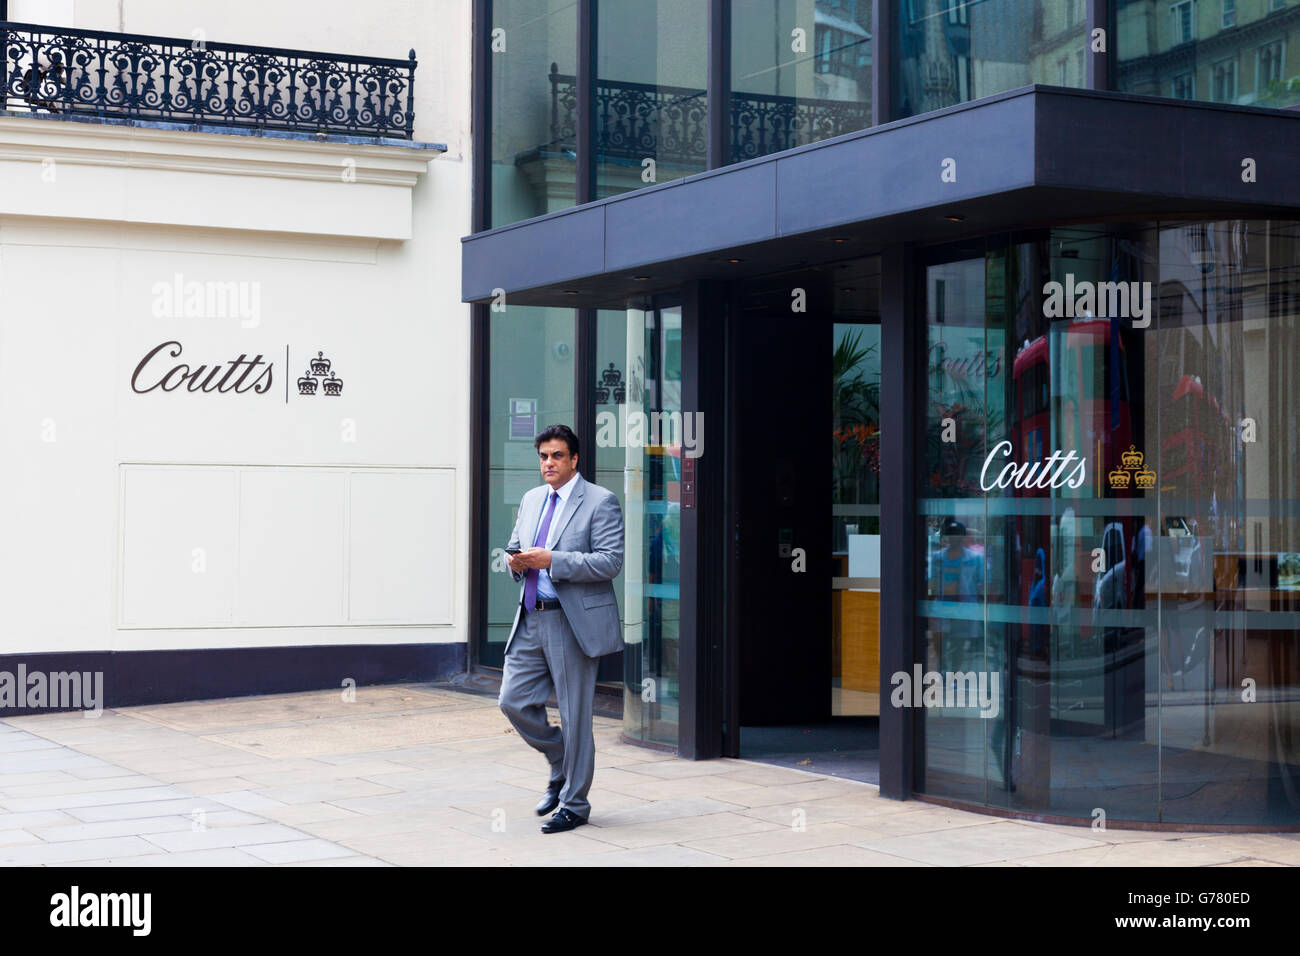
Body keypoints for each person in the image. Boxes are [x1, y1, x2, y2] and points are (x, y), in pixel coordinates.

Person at [499, 424, 625, 833]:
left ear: (574, 459)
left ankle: (574, 803)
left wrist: (553, 560)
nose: (548, 463)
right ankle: (560, 761)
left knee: (575, 716)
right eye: (543, 457)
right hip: (530, 615)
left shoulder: (600, 501)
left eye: (556, 456)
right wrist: (514, 562)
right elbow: (515, 546)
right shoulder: (532, 499)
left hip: (572, 622)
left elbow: (609, 561)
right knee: (512, 701)